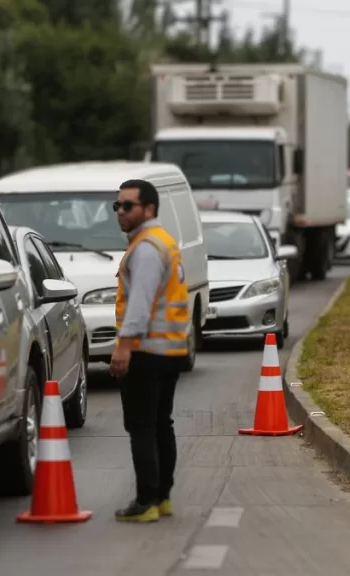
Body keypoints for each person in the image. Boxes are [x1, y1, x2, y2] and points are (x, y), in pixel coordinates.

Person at [109, 178, 191, 523]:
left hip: (146, 351)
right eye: (118, 205)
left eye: (128, 205)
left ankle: (146, 501)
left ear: (149, 209)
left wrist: (123, 348)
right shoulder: (164, 242)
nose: (121, 212)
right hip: (171, 351)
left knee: (142, 425)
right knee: (160, 424)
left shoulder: (145, 248)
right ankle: (163, 497)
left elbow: (140, 306)